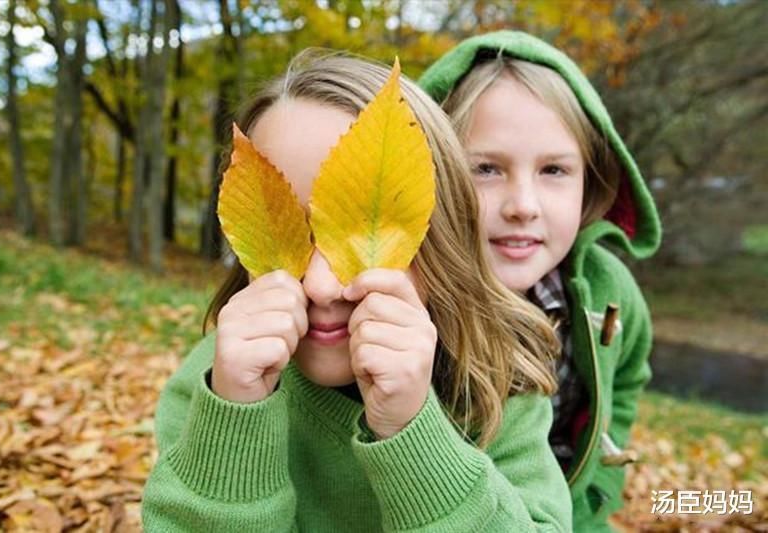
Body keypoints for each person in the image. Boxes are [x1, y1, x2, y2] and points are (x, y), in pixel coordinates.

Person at [141, 50, 572, 532]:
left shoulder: (498, 387)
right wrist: (235, 423)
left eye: (361, 235)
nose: (323, 287)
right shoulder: (212, 387)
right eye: (292, 234)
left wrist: (413, 435)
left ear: (444, 240)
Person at [419, 30, 662, 531]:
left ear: (591, 182)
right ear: (430, 173)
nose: (523, 206)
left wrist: (596, 500)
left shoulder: (610, 292)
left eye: (553, 170)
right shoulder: (409, 297)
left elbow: (625, 386)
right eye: (485, 169)